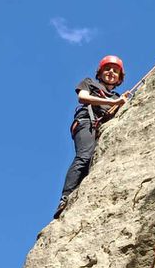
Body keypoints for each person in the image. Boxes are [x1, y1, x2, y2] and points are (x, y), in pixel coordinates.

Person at [54, 55, 129, 218]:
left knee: (93, 163)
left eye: (115, 71)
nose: (111, 72)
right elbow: (83, 97)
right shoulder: (90, 83)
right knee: (85, 155)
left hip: (101, 128)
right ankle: (65, 196)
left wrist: (122, 103)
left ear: (119, 78)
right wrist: (113, 103)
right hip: (86, 122)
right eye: (107, 69)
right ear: (100, 73)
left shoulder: (117, 97)